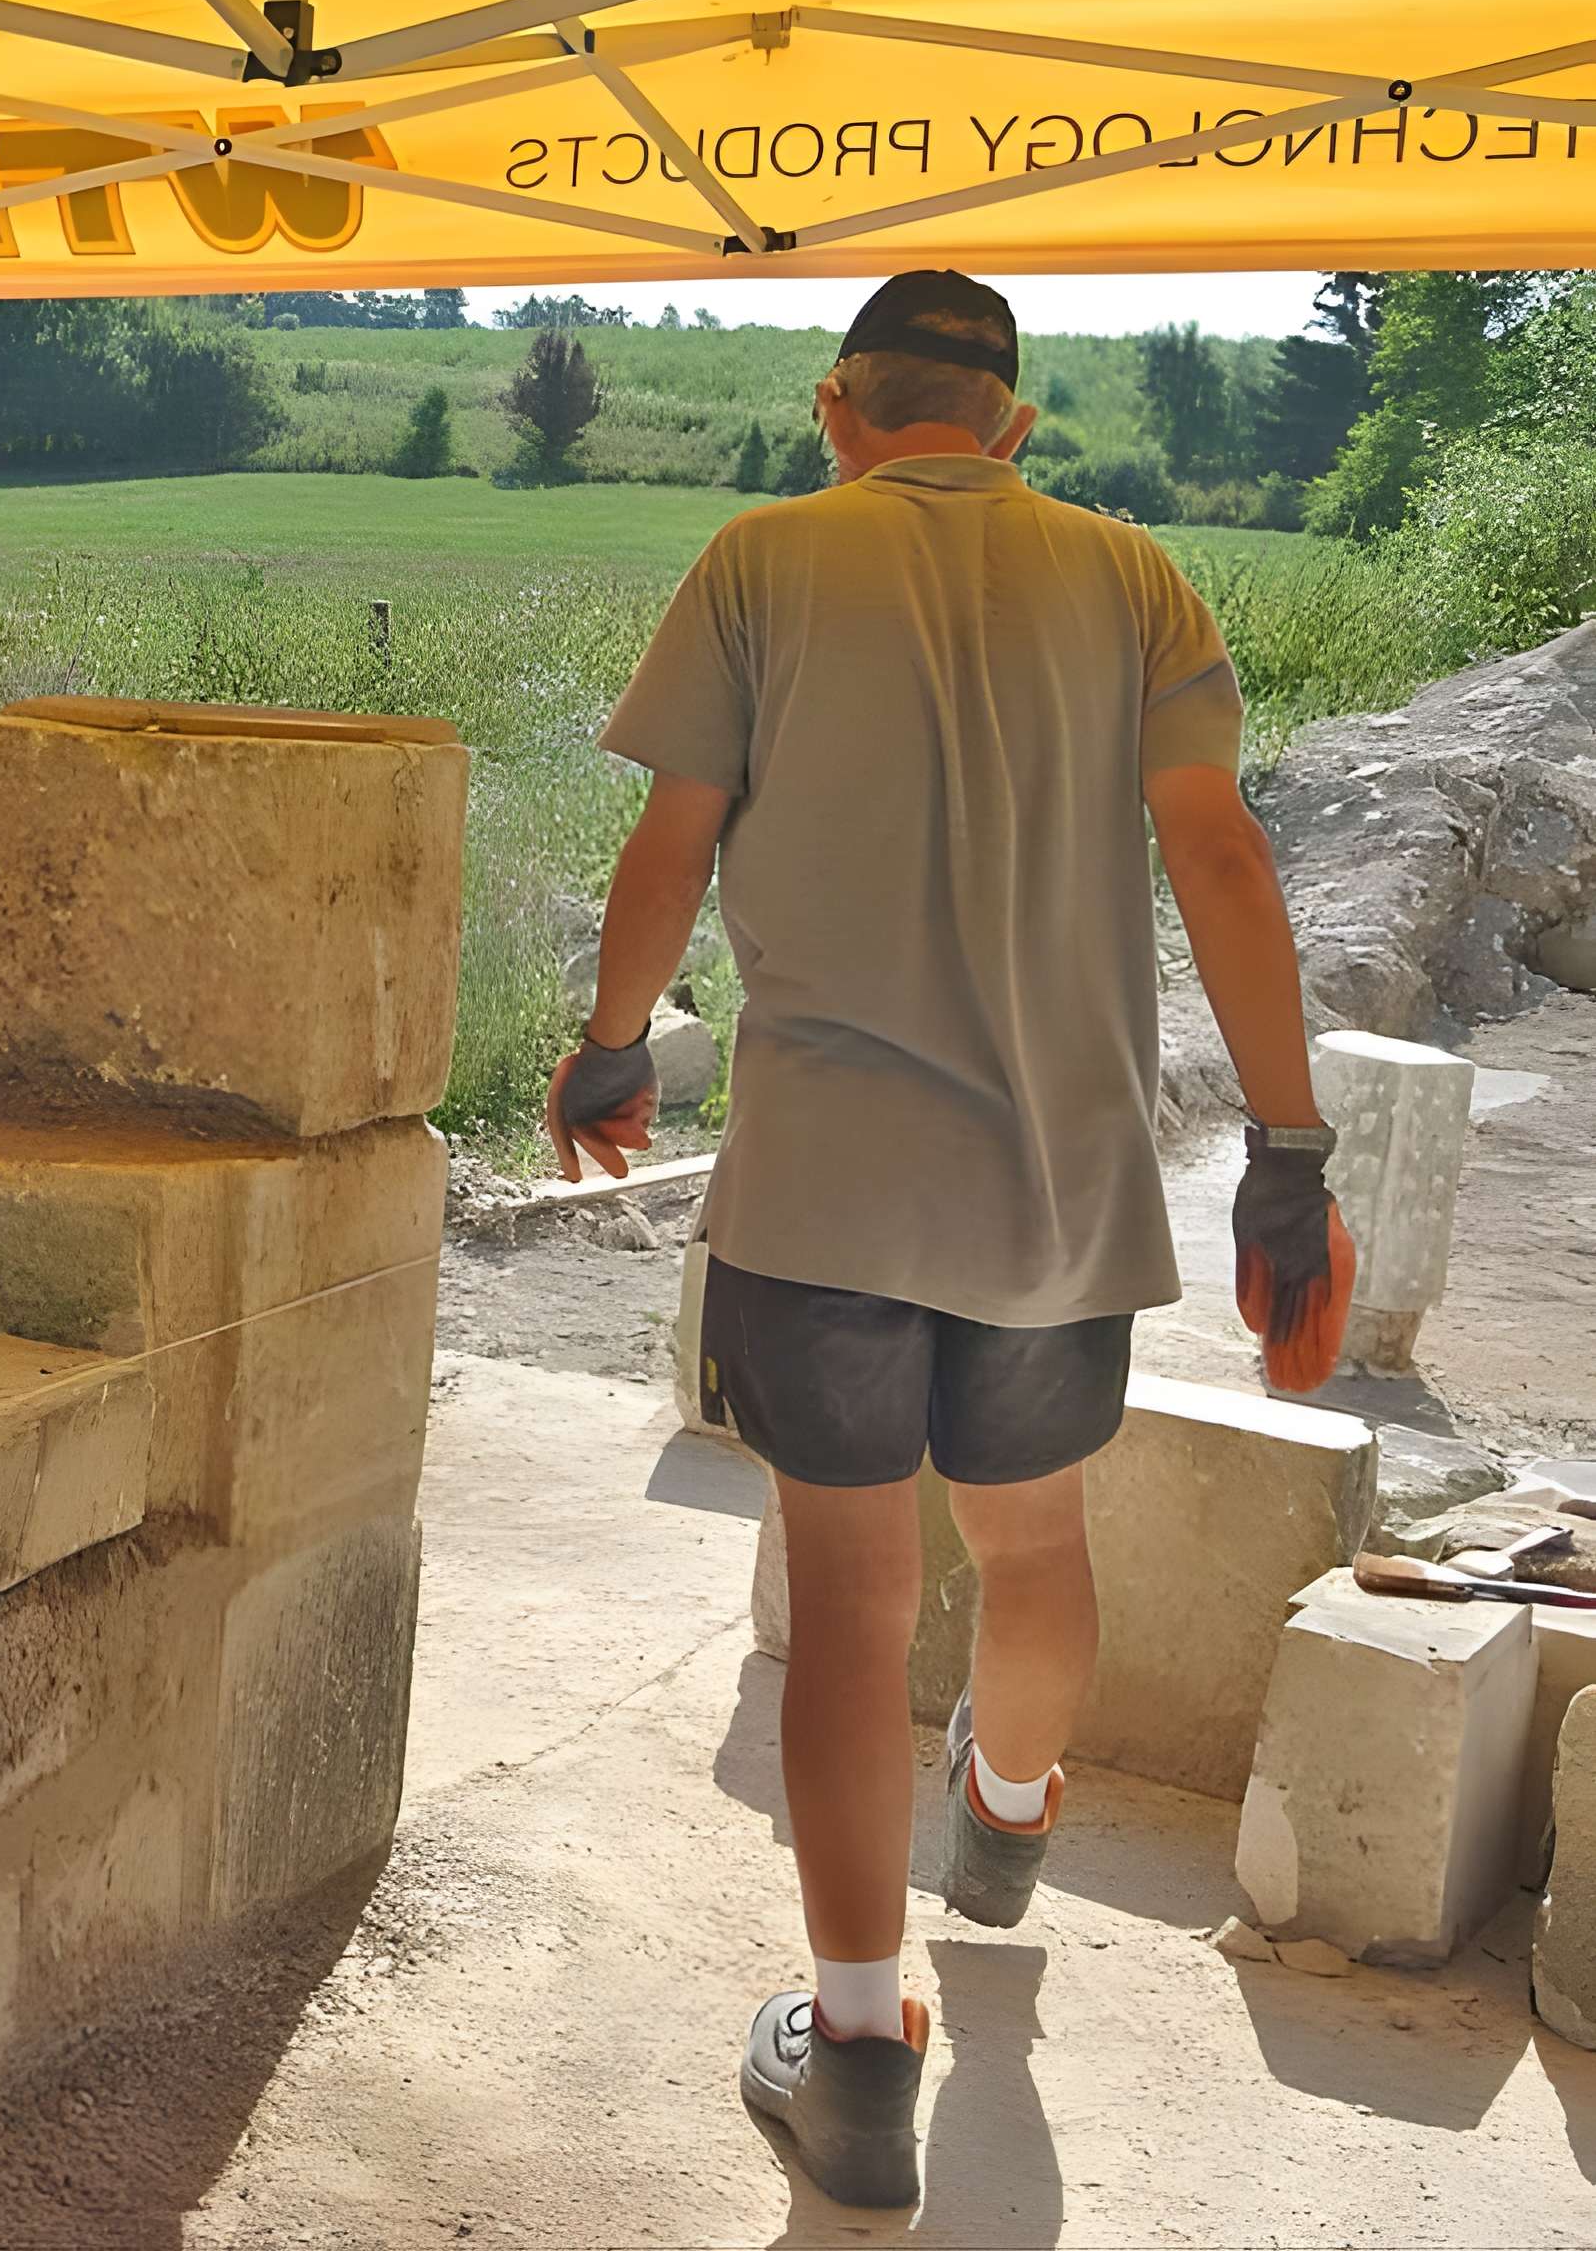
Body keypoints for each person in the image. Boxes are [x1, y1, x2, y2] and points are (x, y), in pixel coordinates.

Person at [547, 273, 1355, 2208]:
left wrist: (600, 1050)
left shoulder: (757, 557)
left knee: (842, 1601)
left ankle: (845, 2057)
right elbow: (1218, 857)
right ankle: (1001, 1821)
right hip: (1056, 1190)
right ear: (1011, 425)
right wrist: (1285, 1145)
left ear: (837, 411)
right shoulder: (1130, 578)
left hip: (821, 1182)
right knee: (1032, 1539)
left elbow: (669, 846)